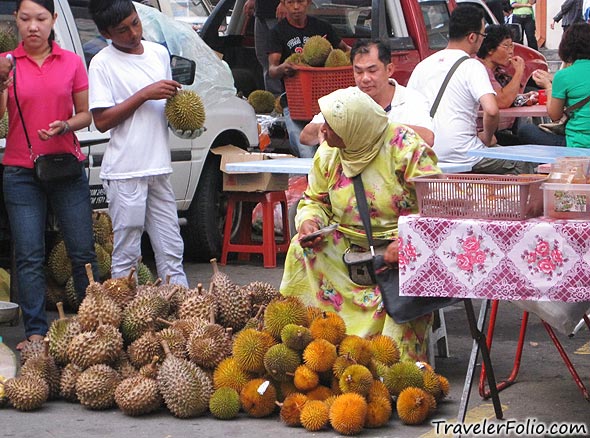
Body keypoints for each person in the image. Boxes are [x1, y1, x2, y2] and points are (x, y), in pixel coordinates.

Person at [280, 87, 441, 363]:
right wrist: (309, 222)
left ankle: (390, 360)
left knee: (411, 263)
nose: (324, 132)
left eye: (332, 126)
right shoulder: (329, 153)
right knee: (300, 250)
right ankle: (313, 347)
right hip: (348, 244)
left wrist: (408, 241)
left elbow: (438, 204)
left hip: (399, 246)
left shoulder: (405, 148)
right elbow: (315, 199)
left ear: (355, 128)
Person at [0, 0, 99, 350]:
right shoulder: (6, 64)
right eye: (25, 19)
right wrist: (1, 83)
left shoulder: (71, 62)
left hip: (66, 167)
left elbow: (86, 115)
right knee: (29, 253)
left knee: (83, 251)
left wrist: (65, 125)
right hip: (20, 171)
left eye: (40, 18)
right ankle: (35, 332)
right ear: (16, 20)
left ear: (53, 20)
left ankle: (94, 326)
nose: (33, 26)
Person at [87, 0, 201, 287]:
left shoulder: (158, 54)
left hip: (159, 167)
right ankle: (123, 317)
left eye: (135, 23)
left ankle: (182, 313)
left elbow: (167, 108)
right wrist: (144, 94)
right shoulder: (102, 64)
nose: (134, 33)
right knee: (127, 251)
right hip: (125, 171)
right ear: (106, 33)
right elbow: (101, 121)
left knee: (171, 245)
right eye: (122, 30)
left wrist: (184, 118)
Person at [407, 5, 534, 175]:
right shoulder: (472, 66)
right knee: (522, 165)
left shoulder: (421, 66)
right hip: (464, 155)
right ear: (472, 37)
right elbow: (492, 109)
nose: (483, 40)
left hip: (426, 153)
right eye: (483, 35)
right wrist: (487, 138)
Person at [300, 39, 434, 147]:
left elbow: (428, 138)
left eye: (372, 70)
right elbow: (305, 137)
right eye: (358, 71)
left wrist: (378, 127)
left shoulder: (412, 99)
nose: (365, 78)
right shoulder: (345, 99)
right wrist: (328, 128)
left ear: (389, 69)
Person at [267, 0, 350, 158]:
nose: (296, 7)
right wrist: (283, 68)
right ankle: (307, 181)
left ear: (309, 2)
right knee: (305, 151)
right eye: (291, 2)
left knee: (332, 151)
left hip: (324, 100)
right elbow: (272, 70)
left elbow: (345, 50)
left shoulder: (322, 27)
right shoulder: (277, 32)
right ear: (283, 3)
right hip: (294, 101)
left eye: (301, 1)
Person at [517, 23, 590, 148]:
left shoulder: (564, 76)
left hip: (578, 144)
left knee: (525, 130)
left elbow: (554, 115)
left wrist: (548, 86)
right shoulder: (563, 76)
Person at [243, 0, 285, 95]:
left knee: (281, 58)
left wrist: (284, 3)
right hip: (261, 13)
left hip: (279, 14)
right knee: (264, 57)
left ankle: (287, 100)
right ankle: (275, 99)